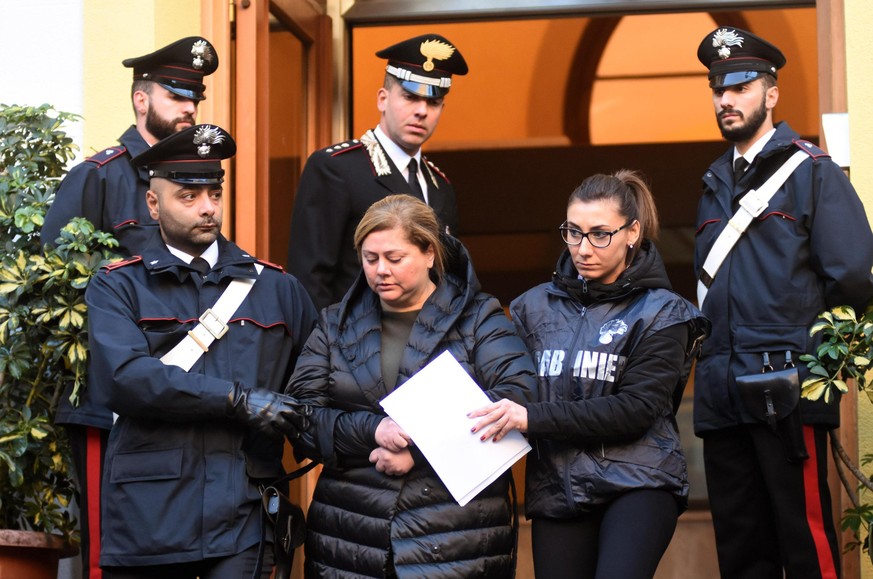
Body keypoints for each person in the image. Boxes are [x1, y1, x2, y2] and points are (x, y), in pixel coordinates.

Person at [84, 124, 318, 577]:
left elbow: (322, 385)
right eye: (188, 197)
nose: (207, 208)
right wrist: (238, 399)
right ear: (154, 203)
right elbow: (126, 379)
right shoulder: (117, 286)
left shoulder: (277, 288)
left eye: (214, 192)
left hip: (244, 517)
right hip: (148, 517)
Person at [693, 27, 873, 578]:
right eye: (718, 88)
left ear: (771, 94)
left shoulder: (811, 172)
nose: (727, 99)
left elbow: (855, 284)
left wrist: (816, 375)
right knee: (742, 550)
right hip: (722, 393)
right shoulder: (713, 182)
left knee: (803, 543)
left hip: (783, 391)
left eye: (741, 86)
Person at [468, 170, 709, 579]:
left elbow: (636, 409)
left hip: (639, 480)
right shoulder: (529, 308)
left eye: (600, 234)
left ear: (632, 232)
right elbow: (499, 385)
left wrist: (533, 418)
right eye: (573, 232)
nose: (583, 248)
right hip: (556, 486)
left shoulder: (664, 312)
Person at [285, 194, 536, 578]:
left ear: (430, 253)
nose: (380, 270)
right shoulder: (334, 324)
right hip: (349, 538)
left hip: (456, 538)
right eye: (370, 259)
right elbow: (302, 416)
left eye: (394, 258)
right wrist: (374, 431)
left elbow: (516, 399)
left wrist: (417, 449)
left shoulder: (478, 317)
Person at [46, 36, 219, 579]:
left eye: (195, 97)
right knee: (112, 552)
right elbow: (56, 290)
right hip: (111, 399)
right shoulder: (99, 175)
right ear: (141, 100)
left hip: (184, 390)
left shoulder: (195, 186)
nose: (189, 107)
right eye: (175, 94)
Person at [286, 34, 467, 311]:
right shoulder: (336, 167)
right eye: (409, 97)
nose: (421, 111)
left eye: (433, 103)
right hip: (353, 343)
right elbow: (310, 279)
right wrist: (322, 350)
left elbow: (448, 277)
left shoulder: (440, 185)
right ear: (383, 99)